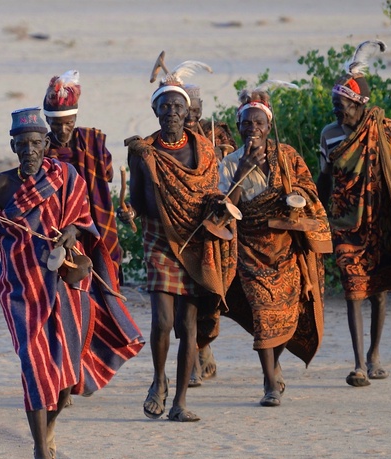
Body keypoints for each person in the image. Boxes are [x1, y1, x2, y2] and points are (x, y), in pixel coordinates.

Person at [0, 107, 143, 459]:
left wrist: (71, 234)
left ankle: (47, 430)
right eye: (21, 143)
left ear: (46, 144)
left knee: (64, 375)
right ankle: (41, 457)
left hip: (63, 283)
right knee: (35, 367)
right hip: (19, 288)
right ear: (12, 145)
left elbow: (82, 223)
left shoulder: (67, 177)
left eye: (35, 143)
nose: (29, 150)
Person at [120, 59, 236, 422]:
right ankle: (158, 380)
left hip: (195, 242)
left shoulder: (204, 151)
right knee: (162, 321)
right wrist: (131, 213)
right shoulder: (144, 153)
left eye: (178, 106)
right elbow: (138, 199)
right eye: (165, 106)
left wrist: (220, 207)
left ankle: (181, 401)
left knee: (188, 326)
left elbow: (210, 193)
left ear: (188, 112)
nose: (171, 112)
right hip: (159, 240)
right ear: (155, 111)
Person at [316, 41, 391, 387]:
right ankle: (359, 364)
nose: (338, 113)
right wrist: (314, 217)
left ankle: (375, 355)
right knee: (352, 290)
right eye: (335, 106)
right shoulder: (329, 135)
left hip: (382, 220)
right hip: (345, 222)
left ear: (360, 105)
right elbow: (324, 178)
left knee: (378, 290)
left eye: (343, 107)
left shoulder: (385, 130)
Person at [219, 87, 332, 407]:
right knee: (263, 314)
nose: (253, 129)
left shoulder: (287, 156)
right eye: (247, 124)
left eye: (259, 124)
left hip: (286, 248)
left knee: (289, 314)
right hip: (250, 250)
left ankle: (275, 363)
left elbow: (310, 192)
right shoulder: (229, 163)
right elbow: (226, 208)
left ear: (269, 127)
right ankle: (269, 382)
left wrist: (293, 198)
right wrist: (243, 172)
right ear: (239, 127)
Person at [182, 82, 239, 386]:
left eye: (194, 111)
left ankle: (203, 352)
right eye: (184, 110)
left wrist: (218, 156)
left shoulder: (217, 134)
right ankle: (193, 360)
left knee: (209, 293)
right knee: (184, 297)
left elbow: (231, 175)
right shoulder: (169, 140)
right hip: (179, 226)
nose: (190, 117)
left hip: (213, 226)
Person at [42, 70, 122, 275]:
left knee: (101, 273)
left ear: (75, 118)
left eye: (69, 123)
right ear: (47, 121)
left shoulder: (91, 142)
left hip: (92, 218)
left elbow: (108, 175)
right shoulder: (41, 149)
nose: (63, 130)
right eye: (57, 124)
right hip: (55, 224)